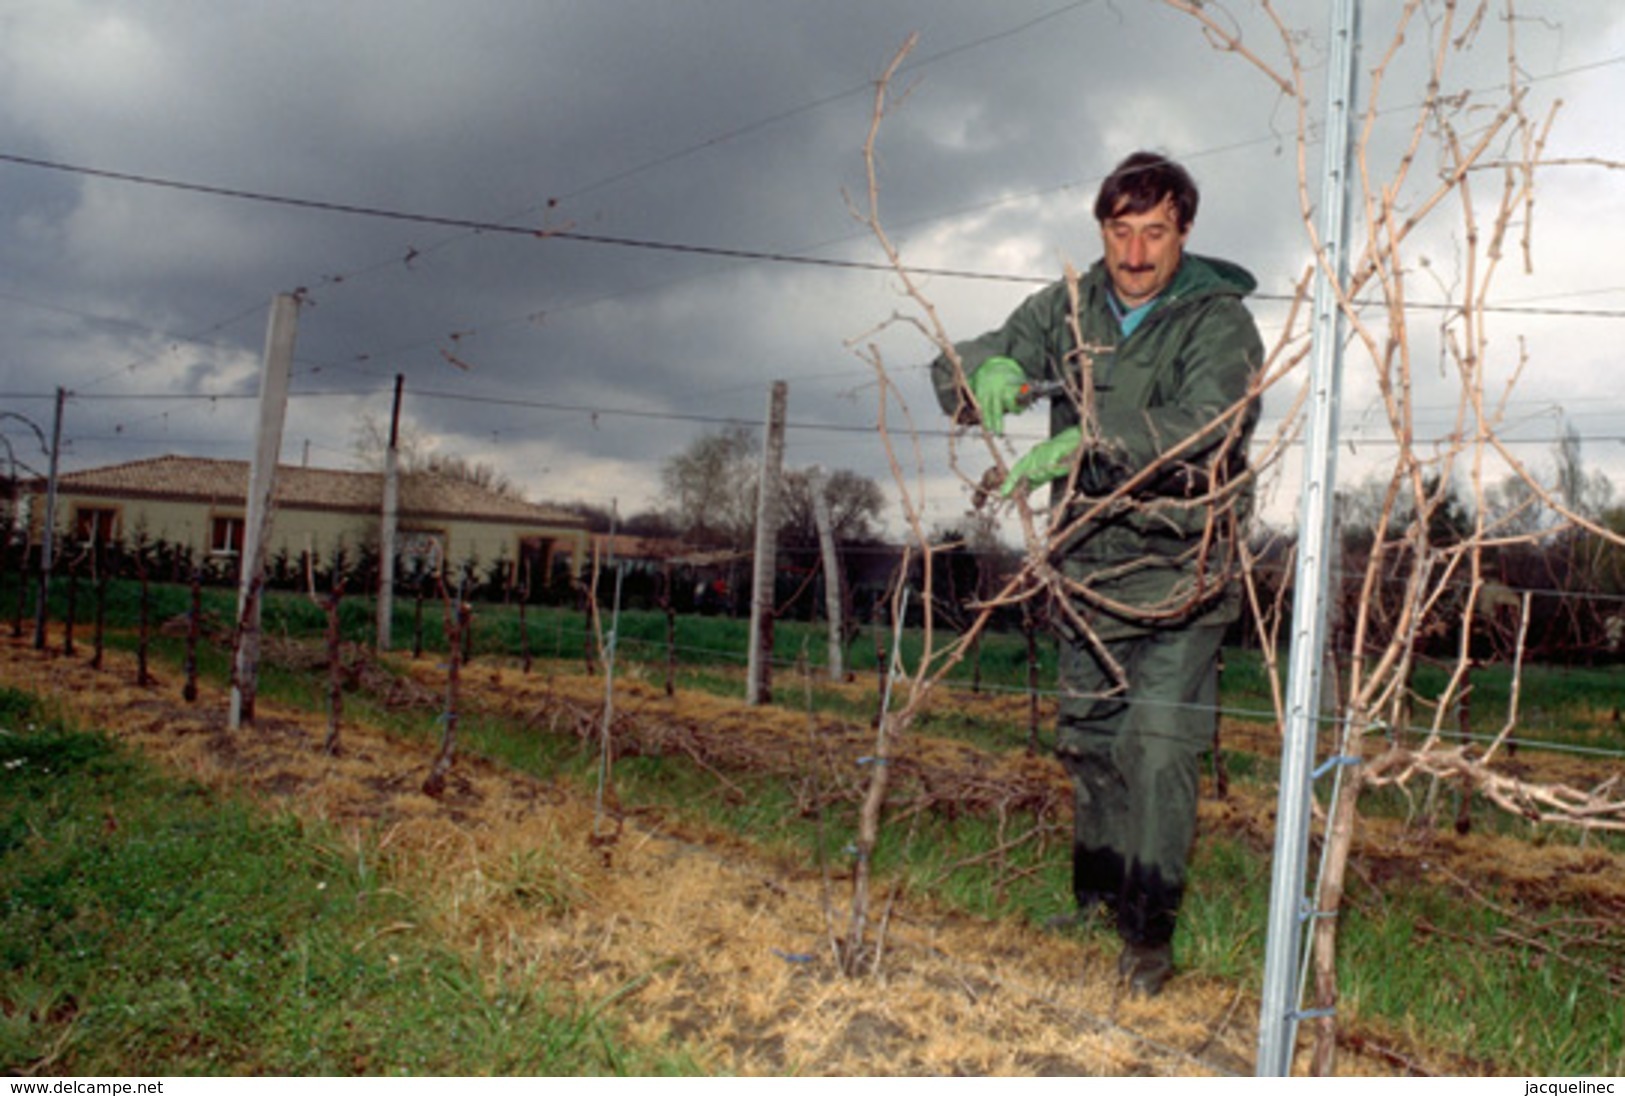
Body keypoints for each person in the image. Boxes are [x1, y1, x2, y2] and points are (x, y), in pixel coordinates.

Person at [932, 151, 1263, 996]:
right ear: (1101, 232)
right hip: (1084, 568)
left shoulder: (1216, 320)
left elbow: (1206, 421)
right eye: (1120, 231)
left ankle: (1147, 936)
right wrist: (982, 373)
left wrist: (1091, 443)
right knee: (1087, 741)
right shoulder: (1069, 306)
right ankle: (1096, 898)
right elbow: (969, 354)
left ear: (1183, 232)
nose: (1137, 254)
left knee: (1156, 749)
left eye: (1155, 232)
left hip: (1179, 566)